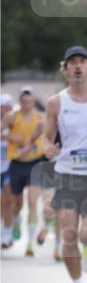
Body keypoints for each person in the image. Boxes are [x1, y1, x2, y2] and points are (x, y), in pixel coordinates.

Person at [43, 46, 87, 283]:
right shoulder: (56, 102)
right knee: (68, 235)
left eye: (82, 62)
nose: (78, 66)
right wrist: (46, 147)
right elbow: (46, 137)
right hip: (67, 174)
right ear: (66, 69)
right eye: (73, 63)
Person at [2, 87, 46, 256]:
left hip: (35, 163)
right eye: (24, 101)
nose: (27, 105)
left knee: (33, 202)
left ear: (34, 102)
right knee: (16, 204)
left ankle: (30, 244)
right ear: (20, 101)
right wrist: (10, 137)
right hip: (16, 164)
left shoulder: (40, 118)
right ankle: (16, 221)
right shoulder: (12, 117)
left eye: (30, 102)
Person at [1, 93, 15, 249]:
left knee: (9, 201)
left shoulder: (15, 122)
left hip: (10, 167)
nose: (6, 110)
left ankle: (7, 233)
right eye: (4, 107)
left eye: (9, 107)